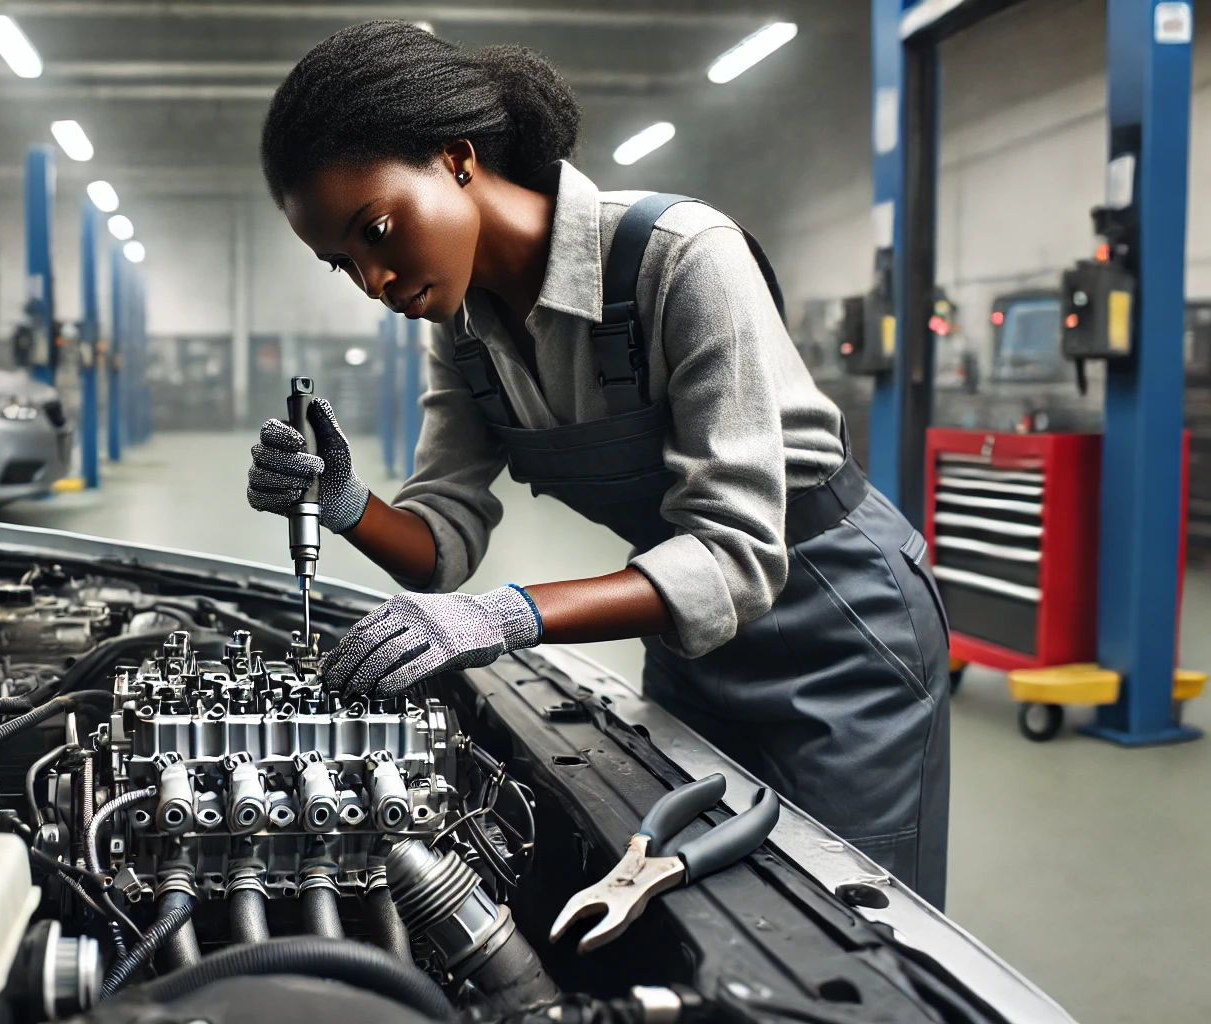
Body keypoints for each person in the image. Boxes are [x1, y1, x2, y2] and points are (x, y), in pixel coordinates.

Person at [246, 21, 950, 904]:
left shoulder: (680, 257)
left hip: (841, 624)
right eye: (344, 263)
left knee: (859, 922)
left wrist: (504, 617)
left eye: (378, 229)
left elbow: (735, 554)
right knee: (707, 905)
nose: (377, 282)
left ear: (457, 159)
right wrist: (346, 502)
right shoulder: (463, 335)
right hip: (689, 634)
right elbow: (441, 546)